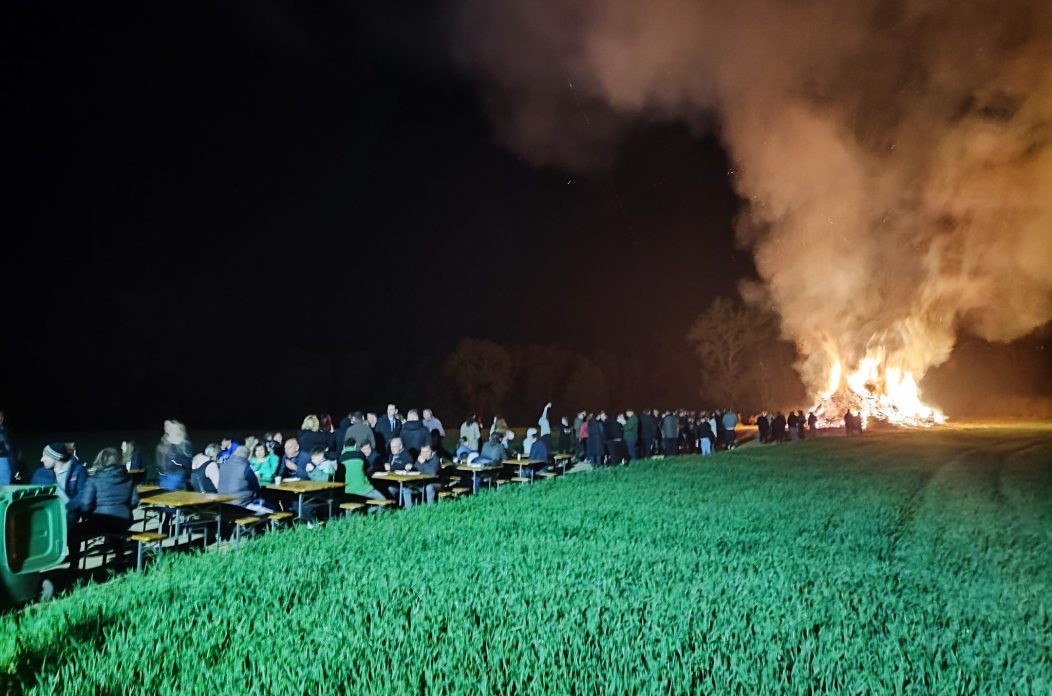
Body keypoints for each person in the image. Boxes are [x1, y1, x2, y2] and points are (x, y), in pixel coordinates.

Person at [68, 447, 139, 570]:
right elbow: (135, 501)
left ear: (100, 461)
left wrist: (88, 515)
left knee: (73, 532)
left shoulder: (94, 480)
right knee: (113, 530)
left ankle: (74, 565)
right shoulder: (128, 478)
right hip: (124, 520)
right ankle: (120, 556)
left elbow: (86, 504)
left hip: (101, 521)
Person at [401, 443, 442, 508]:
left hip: (435, 483)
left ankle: (430, 508)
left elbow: (433, 472)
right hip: (421, 483)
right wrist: (410, 467)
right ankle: (408, 511)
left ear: (431, 451)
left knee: (429, 487)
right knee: (406, 488)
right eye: (423, 452)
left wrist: (423, 463)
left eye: (427, 451)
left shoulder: (436, 459)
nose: (425, 454)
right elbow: (416, 469)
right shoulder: (421, 459)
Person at [156, 420, 192, 491]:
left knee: (167, 494)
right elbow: (160, 456)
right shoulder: (164, 441)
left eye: (168, 425)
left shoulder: (182, 443)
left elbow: (187, 460)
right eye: (165, 425)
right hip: (163, 473)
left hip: (176, 473)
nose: (166, 427)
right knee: (161, 495)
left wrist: (175, 463)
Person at [0, 412, 15, 486]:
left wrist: (16, 451)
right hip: (2, 458)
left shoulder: (4, 429)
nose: (0, 418)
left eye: (1, 416)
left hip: (8, 457)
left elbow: (11, 442)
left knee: (12, 475)